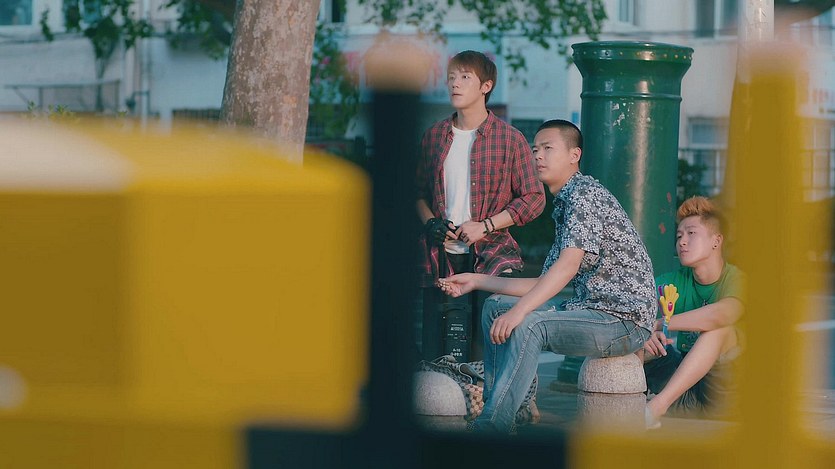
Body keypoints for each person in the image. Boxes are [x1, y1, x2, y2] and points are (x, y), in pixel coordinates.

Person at [439, 119, 656, 433]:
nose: (537, 155)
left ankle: (492, 427)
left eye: (547, 148)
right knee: (496, 307)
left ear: (574, 155)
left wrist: (520, 312)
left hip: (623, 322)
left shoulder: (585, 195)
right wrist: (475, 279)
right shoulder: (567, 203)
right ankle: (506, 409)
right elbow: (546, 281)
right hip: (593, 312)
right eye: (535, 149)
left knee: (530, 322)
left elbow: (567, 268)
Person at [416, 50, 545, 360]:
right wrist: (431, 222)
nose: (455, 84)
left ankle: (481, 391)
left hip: (491, 257)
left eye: (465, 77)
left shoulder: (510, 139)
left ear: (486, 86)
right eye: (451, 77)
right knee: (436, 352)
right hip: (439, 258)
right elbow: (416, 192)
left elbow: (534, 198)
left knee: (482, 351)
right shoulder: (434, 136)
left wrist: (485, 226)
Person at [642, 196, 745, 429]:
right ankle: (626, 405)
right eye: (679, 236)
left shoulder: (736, 279)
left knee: (719, 330)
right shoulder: (675, 280)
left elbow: (722, 315)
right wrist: (645, 332)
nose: (682, 242)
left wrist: (657, 323)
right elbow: (633, 305)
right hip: (685, 393)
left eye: (691, 233)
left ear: (716, 241)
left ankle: (654, 409)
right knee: (634, 336)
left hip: (723, 396)